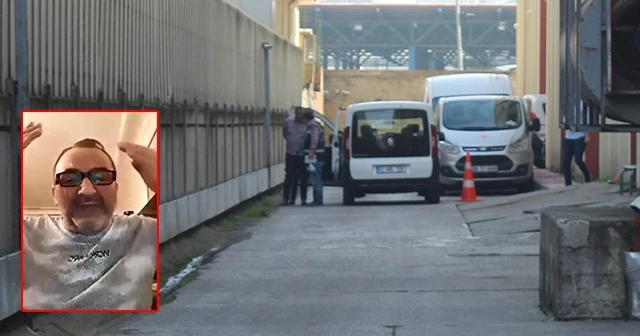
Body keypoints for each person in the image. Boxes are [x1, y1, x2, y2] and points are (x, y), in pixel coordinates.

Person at [21, 121, 158, 310]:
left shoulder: (146, 232)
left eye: (101, 178)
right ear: (54, 194)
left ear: (115, 189)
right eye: (69, 180)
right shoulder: (24, 234)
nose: (86, 191)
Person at [281, 106, 309, 205]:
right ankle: (286, 199)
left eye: (302, 114)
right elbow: (284, 134)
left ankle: (303, 199)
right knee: (289, 176)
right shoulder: (288, 122)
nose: (300, 116)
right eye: (299, 114)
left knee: (303, 177)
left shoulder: (306, 123)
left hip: (302, 154)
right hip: (291, 152)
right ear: (296, 114)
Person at [302, 108, 326, 206]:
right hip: (316, 155)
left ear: (306, 118)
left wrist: (311, 152)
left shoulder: (313, 126)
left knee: (316, 178)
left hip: (316, 156)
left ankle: (318, 199)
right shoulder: (313, 125)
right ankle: (316, 198)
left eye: (303, 118)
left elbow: (314, 140)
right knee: (314, 177)